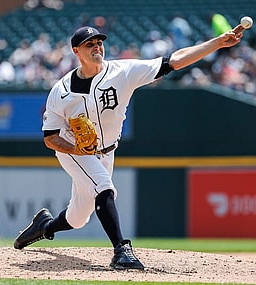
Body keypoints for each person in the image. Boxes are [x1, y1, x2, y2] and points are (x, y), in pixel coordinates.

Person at [13, 25, 243, 270]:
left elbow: (173, 61)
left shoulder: (123, 71)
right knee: (104, 187)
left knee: (78, 217)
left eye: (99, 42)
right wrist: (78, 150)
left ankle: (44, 226)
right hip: (73, 151)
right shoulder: (61, 91)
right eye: (90, 44)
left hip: (107, 151)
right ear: (76, 51)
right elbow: (50, 138)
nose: (97, 47)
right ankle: (122, 251)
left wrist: (216, 43)